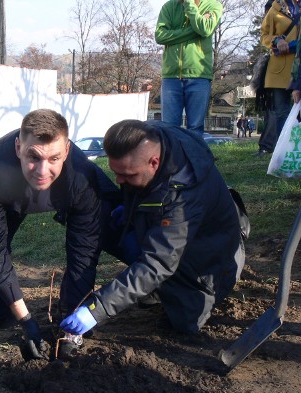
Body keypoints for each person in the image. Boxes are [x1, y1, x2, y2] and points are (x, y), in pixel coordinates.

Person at [60, 120, 249, 338]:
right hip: (171, 236)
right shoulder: (149, 137)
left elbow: (158, 262)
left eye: (128, 175)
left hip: (211, 263)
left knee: (183, 323)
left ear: (154, 163)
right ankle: (154, 289)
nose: (119, 180)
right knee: (105, 221)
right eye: (116, 171)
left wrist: (97, 309)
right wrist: (130, 209)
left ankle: (180, 294)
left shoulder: (185, 195)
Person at [0, 109, 122, 359]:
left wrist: (72, 325)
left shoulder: (82, 178)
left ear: (68, 151)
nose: (42, 170)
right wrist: (26, 320)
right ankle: (1, 309)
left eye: (53, 158)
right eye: (34, 157)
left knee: (94, 246)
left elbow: (82, 254)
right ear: (18, 147)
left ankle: (68, 317)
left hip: (67, 194)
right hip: (8, 195)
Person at [155, 0, 223, 135]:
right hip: (171, 77)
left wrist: (190, 4)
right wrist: (192, 32)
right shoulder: (169, 6)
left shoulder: (213, 5)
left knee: (195, 127)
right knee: (169, 128)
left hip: (199, 75)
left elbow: (205, 29)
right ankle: (172, 156)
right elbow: (160, 36)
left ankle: (194, 156)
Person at [254, 0, 300, 157]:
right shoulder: (275, 8)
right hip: (280, 69)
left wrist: (294, 45)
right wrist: (276, 40)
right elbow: (264, 35)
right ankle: (282, 154)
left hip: (299, 67)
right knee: (280, 113)